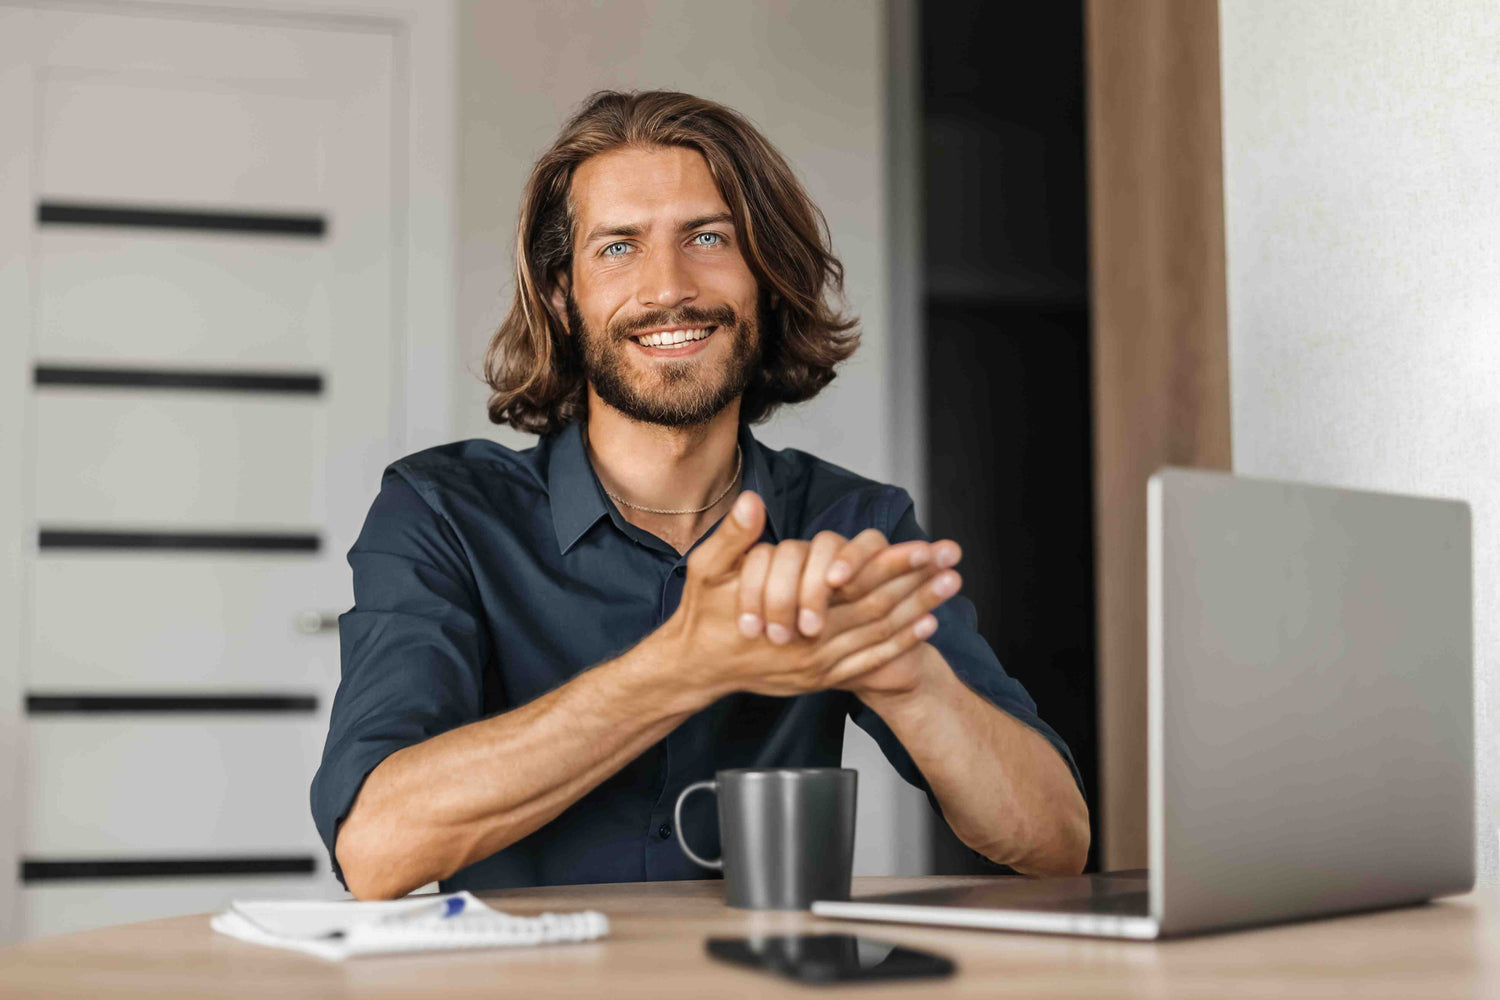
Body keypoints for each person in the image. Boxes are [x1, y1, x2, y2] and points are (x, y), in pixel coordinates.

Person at [312, 90, 1089, 901]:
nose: (667, 287)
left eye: (708, 237)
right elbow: (376, 849)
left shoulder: (853, 527)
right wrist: (681, 667)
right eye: (618, 248)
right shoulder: (442, 513)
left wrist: (904, 673)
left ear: (767, 275)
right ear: (559, 294)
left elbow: (1055, 843)